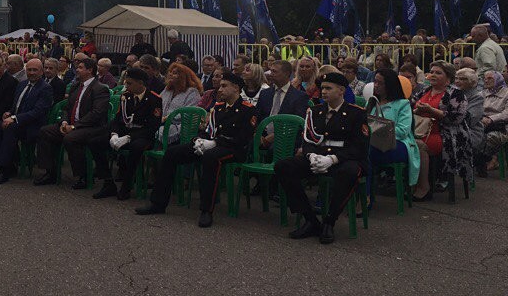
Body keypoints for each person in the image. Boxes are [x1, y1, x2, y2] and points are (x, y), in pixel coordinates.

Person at [135, 72, 257, 227]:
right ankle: (158, 203)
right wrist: (198, 140)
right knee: (172, 153)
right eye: (220, 86)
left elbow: (242, 139)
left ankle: (206, 210)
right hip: (211, 145)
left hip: (233, 149)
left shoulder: (248, 109)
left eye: (224, 86)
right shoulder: (218, 108)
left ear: (236, 88)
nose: (220, 89)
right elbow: (208, 130)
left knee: (210, 158)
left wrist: (214, 143)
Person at [274, 72, 370, 244]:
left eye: (328, 88)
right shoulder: (315, 111)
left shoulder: (356, 113)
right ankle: (310, 219)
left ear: (341, 90)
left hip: (343, 159)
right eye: (322, 88)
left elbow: (359, 147)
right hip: (318, 157)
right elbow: (308, 139)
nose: (323, 92)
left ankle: (329, 221)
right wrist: (311, 155)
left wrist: (332, 159)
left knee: (350, 172)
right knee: (284, 166)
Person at [32, 58, 110, 188]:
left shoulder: (100, 88)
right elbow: (67, 108)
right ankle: (50, 172)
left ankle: (83, 176)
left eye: (80, 67)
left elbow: (96, 114)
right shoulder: (76, 86)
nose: (77, 70)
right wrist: (64, 122)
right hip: (71, 124)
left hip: (92, 127)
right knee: (45, 131)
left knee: (71, 138)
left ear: (90, 70)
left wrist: (74, 126)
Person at [410, 61, 473, 202]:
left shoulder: (456, 94)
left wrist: (431, 111)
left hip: (446, 134)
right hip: (420, 130)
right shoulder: (424, 91)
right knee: (405, 142)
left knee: (417, 145)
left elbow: (456, 118)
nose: (433, 75)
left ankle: (424, 187)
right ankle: (407, 183)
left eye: (438, 73)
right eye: (432, 72)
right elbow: (410, 107)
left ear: (448, 78)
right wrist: (416, 111)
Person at [0, 59, 53, 184]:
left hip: (33, 126)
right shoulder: (22, 84)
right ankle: (8, 163)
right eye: (29, 70)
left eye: (35, 70)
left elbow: (37, 112)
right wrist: (9, 113)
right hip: (16, 121)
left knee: (10, 129)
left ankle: (4, 170)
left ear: (41, 71)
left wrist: (15, 118)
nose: (31, 73)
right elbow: (16, 105)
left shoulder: (45, 88)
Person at [102, 67, 162, 200]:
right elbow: (118, 119)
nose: (126, 86)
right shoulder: (126, 96)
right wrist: (114, 134)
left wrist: (129, 137)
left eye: (129, 83)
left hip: (143, 136)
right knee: (97, 141)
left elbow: (152, 127)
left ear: (140, 83)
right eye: (126, 82)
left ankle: (127, 185)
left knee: (136, 147)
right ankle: (108, 182)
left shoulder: (154, 99)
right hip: (124, 133)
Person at [368, 69, 420, 192]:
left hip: (398, 143)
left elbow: (403, 131)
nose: (376, 85)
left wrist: (378, 129)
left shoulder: (403, 104)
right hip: (373, 142)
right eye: (375, 81)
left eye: (380, 83)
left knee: (364, 153)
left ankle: (367, 195)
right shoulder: (372, 102)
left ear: (390, 85)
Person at [155, 62, 203, 144]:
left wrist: (166, 118)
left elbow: (188, 114)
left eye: (174, 73)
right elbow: (157, 103)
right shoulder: (167, 89)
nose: (170, 74)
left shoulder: (192, 92)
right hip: (161, 122)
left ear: (183, 76)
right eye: (170, 72)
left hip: (181, 126)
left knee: (159, 131)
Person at [453, 67, 484, 178]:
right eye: (456, 78)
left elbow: (469, 120)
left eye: (463, 79)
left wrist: (448, 115)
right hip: (452, 127)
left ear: (472, 82)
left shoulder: (477, 97)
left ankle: (445, 177)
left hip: (471, 131)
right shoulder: (453, 93)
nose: (458, 81)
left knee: (446, 142)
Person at [480, 71, 508, 174]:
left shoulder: (506, 93)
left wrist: (491, 119)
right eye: (485, 78)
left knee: (490, 138)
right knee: (472, 136)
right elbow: (477, 109)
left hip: (502, 126)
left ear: (498, 79)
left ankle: (483, 160)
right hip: (483, 123)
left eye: (490, 78)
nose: (486, 81)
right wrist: (481, 118)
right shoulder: (482, 93)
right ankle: (481, 161)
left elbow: (506, 113)